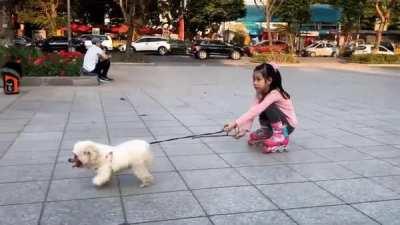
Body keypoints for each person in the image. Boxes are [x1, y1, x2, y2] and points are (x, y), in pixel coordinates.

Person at [224, 63, 298, 153]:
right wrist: (244, 129)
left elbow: (257, 110)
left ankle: (281, 137)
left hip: (287, 127)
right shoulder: (260, 93)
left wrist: (235, 123)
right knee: (260, 106)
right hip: (278, 124)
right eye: (254, 79)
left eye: (258, 79)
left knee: (266, 106)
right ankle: (267, 131)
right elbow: (253, 111)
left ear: (269, 80)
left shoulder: (275, 93)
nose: (255, 83)